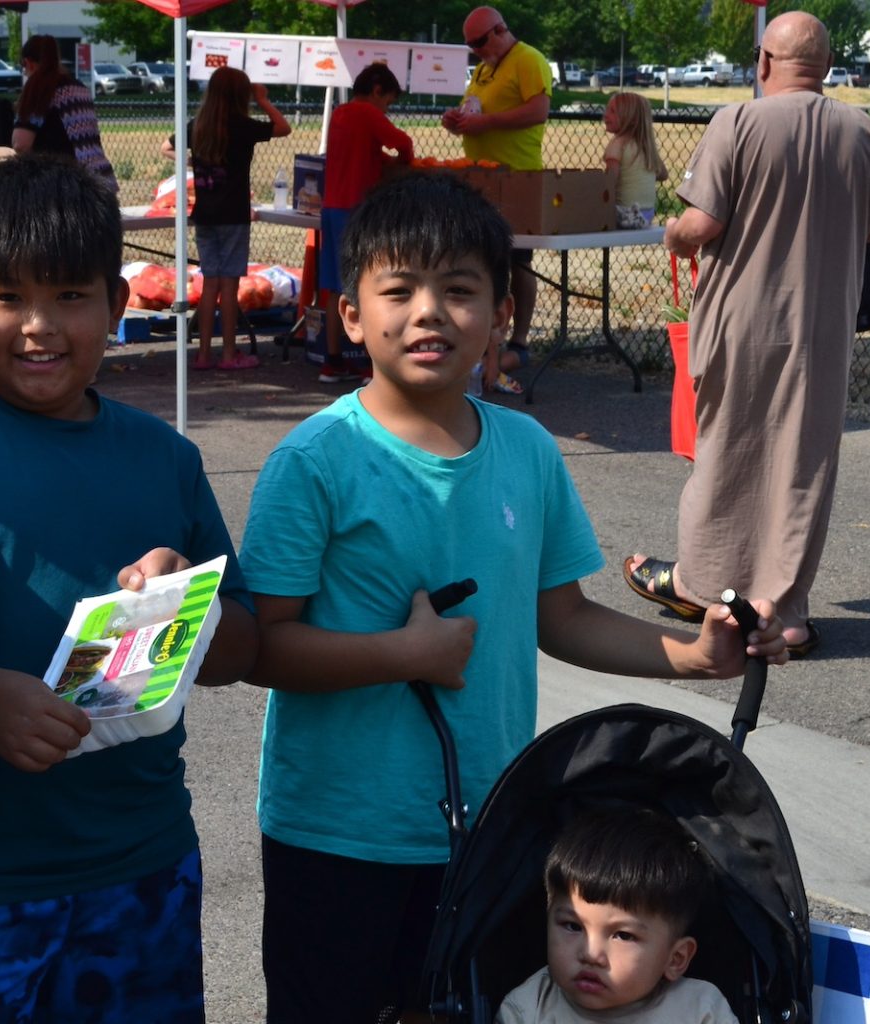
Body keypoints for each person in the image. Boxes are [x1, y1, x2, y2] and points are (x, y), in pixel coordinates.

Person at [236, 173, 786, 1024]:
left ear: (501, 316)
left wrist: (692, 655)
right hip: (337, 832)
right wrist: (402, 655)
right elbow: (262, 648)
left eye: (459, 291)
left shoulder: (527, 451)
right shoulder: (314, 462)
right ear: (350, 314)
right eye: (399, 290)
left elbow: (561, 616)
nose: (429, 313)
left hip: (491, 831)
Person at [0, 155, 259, 1022]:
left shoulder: (168, 462)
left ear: (118, 306)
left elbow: (243, 646)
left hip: (142, 866)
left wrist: (180, 598)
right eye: (6, 296)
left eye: (72, 296)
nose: (39, 326)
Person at [624, 11, 870, 660]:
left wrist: (670, 233)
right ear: (827, 67)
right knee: (803, 463)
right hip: (823, 328)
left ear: (764, 61)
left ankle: (702, 586)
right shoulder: (863, 130)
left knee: (725, 448)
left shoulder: (739, 122)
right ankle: (787, 612)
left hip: (741, 321)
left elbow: (700, 224)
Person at [497, 807, 735, 1023]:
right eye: (572, 926)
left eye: (622, 935)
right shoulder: (529, 1009)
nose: (591, 954)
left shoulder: (700, 1010)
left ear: (675, 959)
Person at [442, 6, 551, 396]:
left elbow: (539, 110)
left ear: (499, 30)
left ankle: (518, 342)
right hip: (482, 173)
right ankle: (486, 343)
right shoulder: (486, 68)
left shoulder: (528, 59)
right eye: (469, 45)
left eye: (479, 42)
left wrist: (485, 123)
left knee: (517, 258)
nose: (475, 50)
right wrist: (457, 120)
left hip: (517, 174)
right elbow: (477, 109)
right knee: (485, 257)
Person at [159, 66, 291, 371]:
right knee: (228, 287)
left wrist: (190, 160)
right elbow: (283, 128)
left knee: (210, 285)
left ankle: (204, 354)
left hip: (205, 215)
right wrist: (263, 100)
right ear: (241, 95)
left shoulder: (199, 125)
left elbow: (166, 147)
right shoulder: (242, 126)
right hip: (233, 216)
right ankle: (230, 354)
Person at [315, 61, 413, 384]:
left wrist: (382, 161)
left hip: (331, 207)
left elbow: (360, 152)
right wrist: (404, 168)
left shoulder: (341, 113)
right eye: (388, 103)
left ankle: (332, 360)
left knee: (332, 287)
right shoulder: (369, 114)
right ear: (377, 91)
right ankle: (373, 367)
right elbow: (404, 143)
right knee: (365, 284)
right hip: (355, 209)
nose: (387, 110)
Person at [12, 34, 117, 192]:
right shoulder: (80, 88)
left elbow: (21, 143)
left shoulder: (38, 88)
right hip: (101, 181)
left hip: (65, 187)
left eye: (23, 65)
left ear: (28, 63)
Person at [602, 92, 666, 230]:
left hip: (624, 215)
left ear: (630, 119)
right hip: (647, 215)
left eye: (612, 111)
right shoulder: (646, 146)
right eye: (607, 109)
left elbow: (609, 182)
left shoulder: (617, 144)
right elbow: (663, 175)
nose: (605, 115)